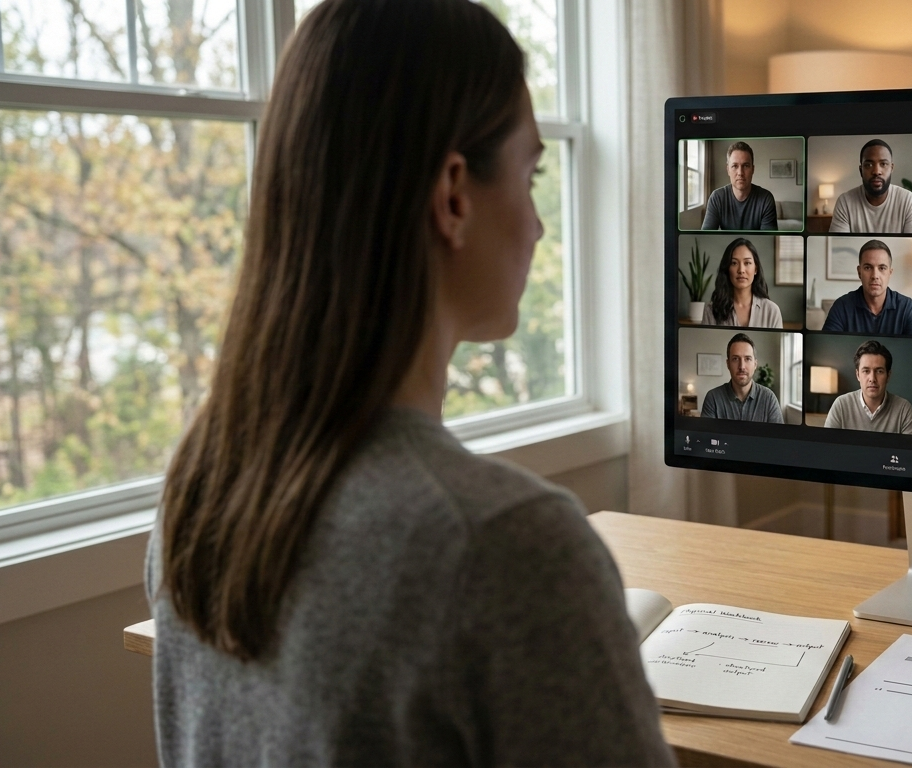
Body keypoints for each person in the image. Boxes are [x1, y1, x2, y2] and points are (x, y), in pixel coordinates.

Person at [146, 2, 674, 765]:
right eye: (529, 176)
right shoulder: (503, 544)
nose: (537, 225)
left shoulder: (198, 491)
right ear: (453, 195)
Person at [822, 240, 912, 335]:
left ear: (890, 273)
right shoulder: (841, 306)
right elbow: (827, 346)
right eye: (868, 268)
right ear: (859, 272)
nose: (875, 275)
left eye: (882, 268)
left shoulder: (906, 307)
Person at [829, 139, 912, 234]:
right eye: (869, 165)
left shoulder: (907, 200)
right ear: (861, 170)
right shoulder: (845, 202)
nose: (876, 171)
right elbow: (838, 244)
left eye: (883, 164)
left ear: (891, 168)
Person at [823, 340, 912, 434]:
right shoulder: (841, 405)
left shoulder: (903, 409)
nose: (872, 379)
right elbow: (827, 443)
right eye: (866, 371)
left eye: (879, 371)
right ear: (858, 375)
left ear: (888, 376)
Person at [700, 333, 785, 423]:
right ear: (728, 364)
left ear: (755, 364)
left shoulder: (769, 398)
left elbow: (778, 432)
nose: (742, 366)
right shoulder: (713, 398)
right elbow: (706, 432)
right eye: (735, 359)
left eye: (747, 359)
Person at [701, 238, 784, 328]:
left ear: (756, 269)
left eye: (747, 263)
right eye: (734, 263)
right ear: (727, 269)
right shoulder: (711, 310)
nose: (741, 270)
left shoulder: (772, 311)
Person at [701, 142, 779, 230]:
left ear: (753, 170)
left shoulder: (766, 199)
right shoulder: (717, 198)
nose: (740, 173)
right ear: (728, 170)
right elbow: (706, 235)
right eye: (734, 166)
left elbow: (768, 238)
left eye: (746, 166)